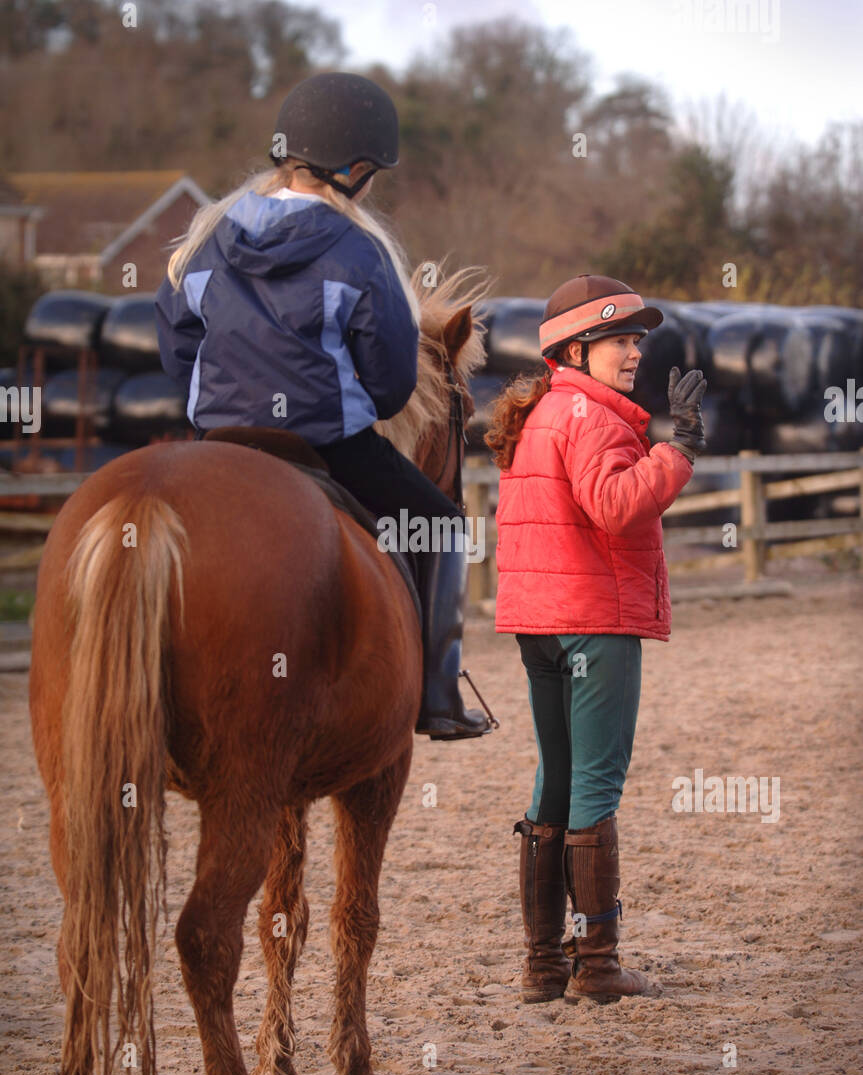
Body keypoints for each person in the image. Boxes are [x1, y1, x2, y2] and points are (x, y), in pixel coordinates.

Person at [154, 71, 492, 740]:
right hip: (326, 443)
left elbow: (175, 345)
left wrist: (221, 398)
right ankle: (438, 697)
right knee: (442, 524)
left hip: (217, 445)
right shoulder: (358, 250)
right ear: (357, 168)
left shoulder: (208, 236)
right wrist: (349, 399)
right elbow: (393, 379)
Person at [485, 274, 707, 1003]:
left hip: (537, 621)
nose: (634, 351)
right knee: (594, 783)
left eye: (638, 339)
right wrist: (677, 453)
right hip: (594, 621)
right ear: (575, 349)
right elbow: (615, 507)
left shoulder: (540, 413)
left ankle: (543, 966)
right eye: (620, 339)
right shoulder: (595, 417)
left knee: (554, 777)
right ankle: (600, 966)